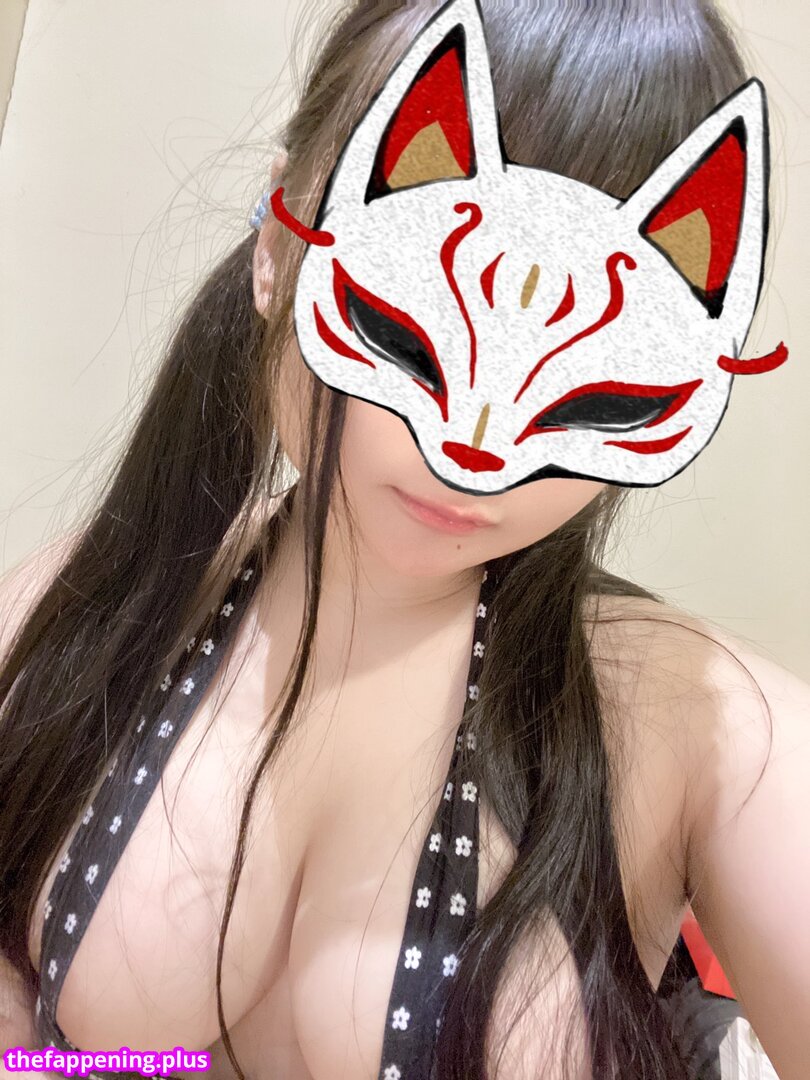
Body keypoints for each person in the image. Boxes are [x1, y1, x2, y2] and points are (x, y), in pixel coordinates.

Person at [1, 2, 808, 1079]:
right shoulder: (74, 612)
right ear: (279, 248)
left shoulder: (707, 730)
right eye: (406, 327)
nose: (477, 453)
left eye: (596, 386)